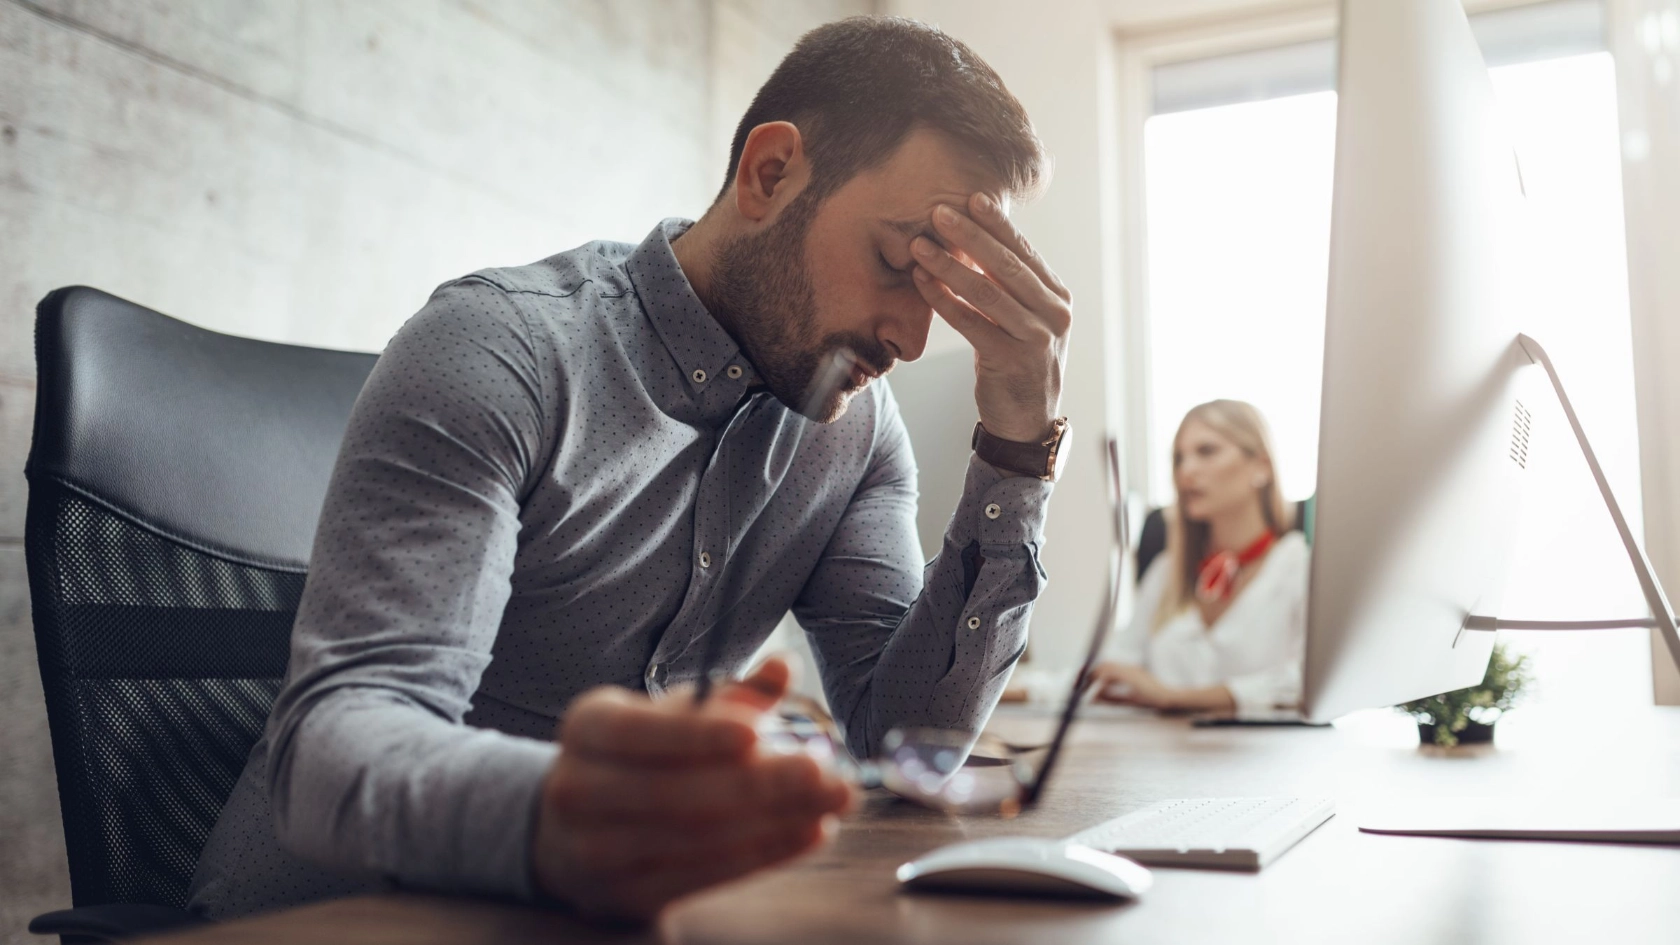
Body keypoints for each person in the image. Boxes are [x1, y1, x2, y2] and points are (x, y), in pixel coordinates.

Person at [187, 16, 1074, 924]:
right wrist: (562, 815)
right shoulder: (500, 350)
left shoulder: (849, 429)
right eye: (896, 263)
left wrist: (1016, 447)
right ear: (771, 174)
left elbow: (903, 739)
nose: (912, 338)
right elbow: (330, 747)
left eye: (939, 292)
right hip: (334, 919)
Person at [1090, 400, 1308, 715]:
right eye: (1179, 458)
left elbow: (1307, 682)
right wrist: (1019, 687)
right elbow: (1115, 666)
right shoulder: (1168, 570)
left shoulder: (1300, 567)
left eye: (1206, 451)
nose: (1186, 471)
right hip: (1166, 757)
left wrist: (1174, 698)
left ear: (1261, 466)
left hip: (1265, 759)